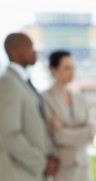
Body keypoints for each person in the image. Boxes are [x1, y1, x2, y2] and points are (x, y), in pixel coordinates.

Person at [0, 32, 59, 181]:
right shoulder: (7, 82)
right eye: (31, 47)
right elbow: (9, 134)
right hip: (19, 173)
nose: (35, 52)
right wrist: (41, 163)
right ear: (16, 50)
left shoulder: (22, 81)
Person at [41, 50, 96, 181]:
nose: (72, 72)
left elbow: (91, 134)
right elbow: (57, 136)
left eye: (73, 68)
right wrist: (82, 131)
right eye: (66, 68)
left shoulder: (80, 99)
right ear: (53, 70)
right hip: (61, 170)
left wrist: (64, 129)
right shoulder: (44, 98)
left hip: (83, 169)